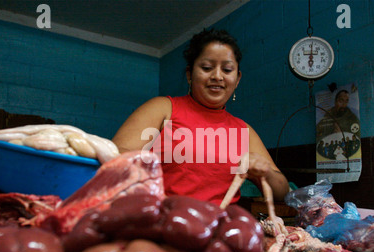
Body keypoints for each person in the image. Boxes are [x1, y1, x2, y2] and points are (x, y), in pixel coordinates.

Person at [112, 28, 289, 206]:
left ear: (237, 79)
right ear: (190, 74)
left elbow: (282, 193)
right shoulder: (163, 109)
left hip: (219, 226)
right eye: (207, 68)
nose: (217, 76)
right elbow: (115, 158)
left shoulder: (243, 131)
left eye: (227, 70)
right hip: (162, 220)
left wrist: (265, 171)